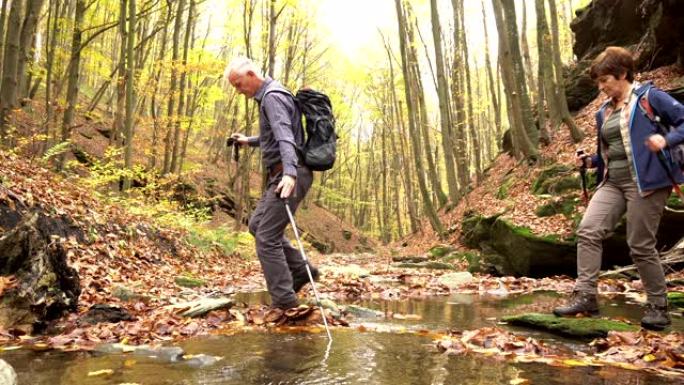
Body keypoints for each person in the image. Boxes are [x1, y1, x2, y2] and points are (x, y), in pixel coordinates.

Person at [553, 46, 684, 330]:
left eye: (604, 80)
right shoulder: (604, 112)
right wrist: (590, 161)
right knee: (588, 230)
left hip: (647, 182)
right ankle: (586, 296)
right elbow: (613, 151)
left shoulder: (651, 98)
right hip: (613, 181)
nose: (601, 88)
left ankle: (658, 306)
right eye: (598, 82)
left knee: (639, 244)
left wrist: (667, 140)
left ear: (622, 74)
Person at [227, 57, 319, 310]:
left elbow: (285, 136)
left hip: (290, 173)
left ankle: (285, 302)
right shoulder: (272, 94)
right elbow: (273, 135)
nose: (239, 91)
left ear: (250, 73)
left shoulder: (272, 97)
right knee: (258, 225)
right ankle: (301, 271)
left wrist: (289, 172)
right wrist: (249, 141)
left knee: (266, 237)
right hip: (285, 172)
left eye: (239, 84)